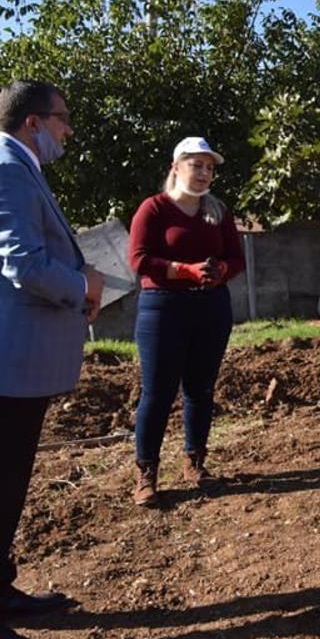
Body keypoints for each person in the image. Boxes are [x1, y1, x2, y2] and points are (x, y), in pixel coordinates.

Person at [0, 80, 105, 639]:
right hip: (5, 355)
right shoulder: (3, 168)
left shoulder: (12, 165)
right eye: (62, 119)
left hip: (13, 356)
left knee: (5, 481)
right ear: (32, 121)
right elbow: (24, 264)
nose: (67, 130)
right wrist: (83, 287)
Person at [128, 137, 245, 506]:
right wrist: (184, 271)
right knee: (157, 392)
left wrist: (220, 270)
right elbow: (139, 260)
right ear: (176, 166)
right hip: (163, 308)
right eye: (197, 165)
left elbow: (236, 259)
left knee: (201, 389)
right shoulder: (154, 209)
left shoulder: (218, 212)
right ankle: (146, 474)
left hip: (211, 307)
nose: (204, 174)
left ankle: (195, 462)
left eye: (209, 168)